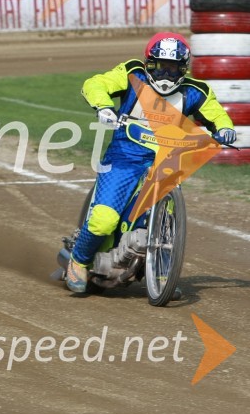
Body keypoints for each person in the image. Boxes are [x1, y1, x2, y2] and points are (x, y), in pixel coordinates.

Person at [66, 32, 236, 293]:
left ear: (183, 69)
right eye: (161, 67)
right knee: (104, 220)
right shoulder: (132, 73)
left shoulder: (196, 91)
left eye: (173, 68)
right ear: (149, 65)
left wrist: (225, 129)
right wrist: (104, 107)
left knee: (165, 222)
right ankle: (78, 261)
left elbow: (217, 115)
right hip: (124, 157)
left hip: (167, 161)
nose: (166, 75)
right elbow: (96, 84)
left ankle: (160, 276)